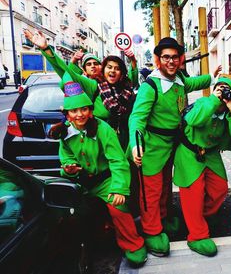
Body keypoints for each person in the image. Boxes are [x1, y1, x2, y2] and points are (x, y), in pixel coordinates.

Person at [129, 37, 219, 256]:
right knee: (150, 190)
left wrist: (214, 76)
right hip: (150, 147)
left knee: (165, 188)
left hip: (172, 145)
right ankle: (151, 230)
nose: (170, 61)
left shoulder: (179, 79)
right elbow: (137, 118)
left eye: (175, 57)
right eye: (166, 57)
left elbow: (195, 82)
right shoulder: (150, 86)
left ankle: (162, 218)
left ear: (180, 60)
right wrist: (135, 144)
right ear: (159, 60)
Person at [49, 74, 147, 266]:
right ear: (67, 114)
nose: (80, 115)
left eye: (84, 109)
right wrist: (69, 169)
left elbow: (118, 160)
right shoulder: (65, 132)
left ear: (91, 111)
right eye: (74, 111)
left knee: (118, 208)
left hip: (106, 180)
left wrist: (119, 188)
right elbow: (66, 157)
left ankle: (133, 244)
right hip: (83, 183)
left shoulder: (103, 129)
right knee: (74, 215)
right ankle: (86, 247)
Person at [24, 29, 136, 149]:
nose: (113, 70)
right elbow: (67, 73)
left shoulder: (126, 89)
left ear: (121, 73)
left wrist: (133, 61)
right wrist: (46, 49)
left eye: (117, 68)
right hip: (99, 142)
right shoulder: (94, 86)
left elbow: (133, 78)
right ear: (103, 70)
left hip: (125, 141)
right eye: (109, 67)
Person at [173, 74, 231, 256]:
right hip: (190, 153)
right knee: (193, 193)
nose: (223, 93)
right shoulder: (204, 103)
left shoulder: (229, 111)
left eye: (227, 90)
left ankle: (198, 217)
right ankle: (197, 235)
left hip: (210, 155)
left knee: (220, 189)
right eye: (220, 88)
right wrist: (214, 98)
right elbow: (195, 120)